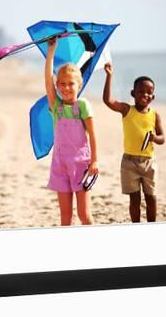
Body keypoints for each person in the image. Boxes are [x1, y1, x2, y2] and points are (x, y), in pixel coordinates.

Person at [44, 37, 99, 226]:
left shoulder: (82, 105)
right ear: (57, 86)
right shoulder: (56, 107)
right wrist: (51, 50)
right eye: (62, 84)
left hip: (81, 166)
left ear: (79, 85)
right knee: (65, 217)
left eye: (71, 84)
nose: (66, 88)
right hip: (60, 165)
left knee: (84, 215)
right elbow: (47, 81)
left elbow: (92, 134)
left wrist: (95, 160)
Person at [102, 62, 165, 223]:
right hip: (129, 162)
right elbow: (108, 100)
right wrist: (109, 76)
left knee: (151, 198)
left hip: (149, 162)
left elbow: (162, 138)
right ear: (133, 93)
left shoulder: (155, 115)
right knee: (134, 199)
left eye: (149, 92)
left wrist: (154, 138)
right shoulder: (126, 110)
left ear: (154, 96)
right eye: (141, 91)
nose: (145, 95)